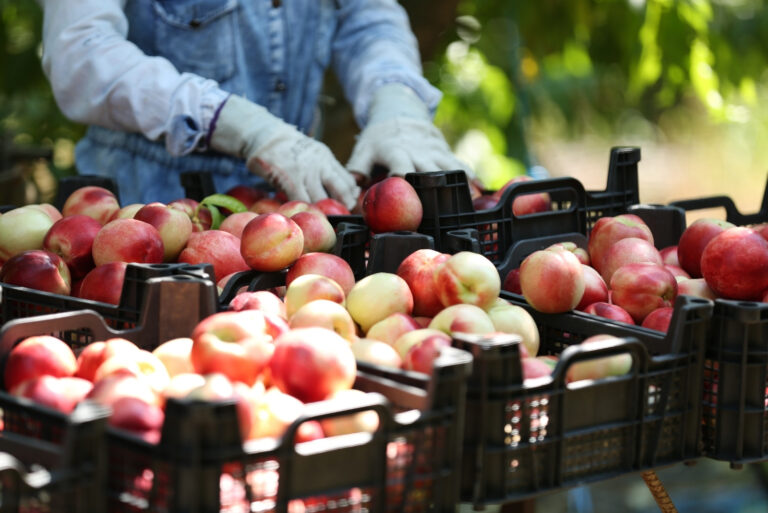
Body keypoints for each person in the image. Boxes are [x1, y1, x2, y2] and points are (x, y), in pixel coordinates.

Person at [36, 0, 471, 209]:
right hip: (141, 213)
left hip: (292, 215)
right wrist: (240, 124)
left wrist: (396, 100)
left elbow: (367, 16)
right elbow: (81, 50)